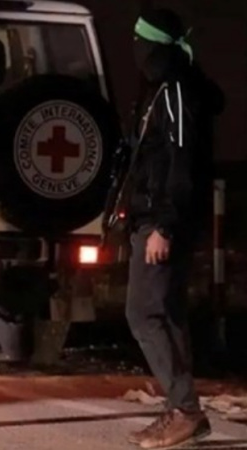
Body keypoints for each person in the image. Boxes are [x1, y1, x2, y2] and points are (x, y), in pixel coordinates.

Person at [121, 8, 224, 449]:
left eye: (140, 41)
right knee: (168, 312)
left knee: (143, 313)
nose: (135, 50)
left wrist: (163, 225)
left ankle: (185, 409)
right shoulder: (162, 88)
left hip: (165, 221)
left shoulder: (176, 90)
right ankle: (182, 411)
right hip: (155, 217)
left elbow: (181, 165)